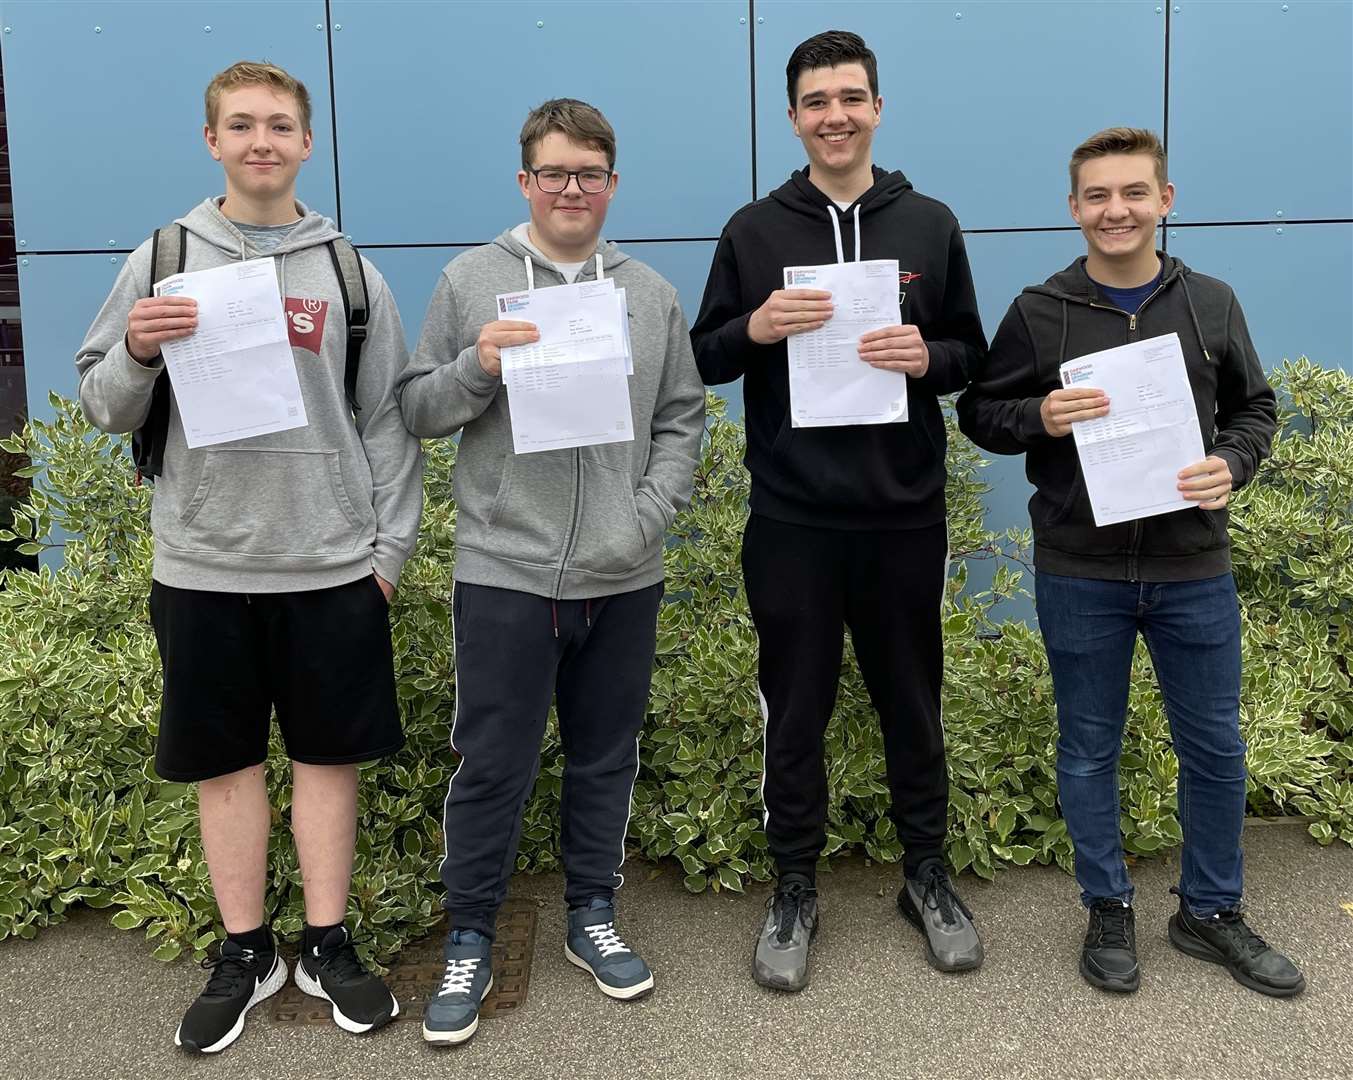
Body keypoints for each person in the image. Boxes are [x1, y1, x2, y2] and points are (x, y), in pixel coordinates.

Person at [74, 60, 424, 1052]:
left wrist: (386, 555)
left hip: (329, 567)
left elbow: (390, 423)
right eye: (242, 125)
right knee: (223, 768)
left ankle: (324, 940)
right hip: (203, 568)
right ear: (212, 141)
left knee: (327, 762)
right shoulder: (164, 256)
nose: (261, 140)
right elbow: (105, 404)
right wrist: (138, 350)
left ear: (307, 144)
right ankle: (245, 951)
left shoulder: (351, 273)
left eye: (280, 125)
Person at [956, 126, 1304, 998]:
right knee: (1086, 750)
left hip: (1192, 565)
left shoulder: (1211, 301)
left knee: (1216, 748)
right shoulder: (1040, 309)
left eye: (1133, 193)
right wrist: (1041, 416)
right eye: (1098, 196)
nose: (1117, 210)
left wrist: (1231, 463)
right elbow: (979, 414)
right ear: (1073, 208)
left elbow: (1254, 410)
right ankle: (1106, 906)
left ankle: (1210, 912)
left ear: (1164, 201)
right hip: (1079, 568)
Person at [397, 98, 705, 1045]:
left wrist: (642, 518)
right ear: (525, 181)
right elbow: (415, 410)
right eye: (555, 173)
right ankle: (472, 933)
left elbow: (681, 419)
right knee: (492, 763)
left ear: (612, 184)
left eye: (591, 173)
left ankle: (589, 912)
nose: (573, 189)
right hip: (506, 571)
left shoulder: (647, 293)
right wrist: (477, 367)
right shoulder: (470, 280)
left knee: (606, 755)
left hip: (623, 574)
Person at [690, 30, 988, 992]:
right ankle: (792, 887)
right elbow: (702, 356)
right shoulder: (752, 230)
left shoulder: (930, 223)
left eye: (851, 97)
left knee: (913, 701)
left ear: (876, 108)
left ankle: (927, 876)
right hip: (792, 517)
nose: (835, 115)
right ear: (793, 117)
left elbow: (969, 356)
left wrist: (927, 361)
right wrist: (755, 326)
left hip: (904, 512)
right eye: (816, 101)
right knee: (797, 709)